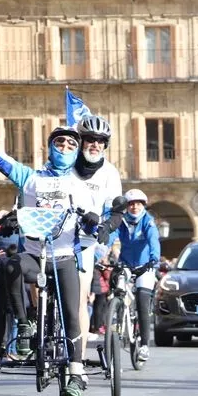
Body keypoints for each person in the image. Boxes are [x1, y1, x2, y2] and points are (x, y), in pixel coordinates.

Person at [0, 121, 105, 396]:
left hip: (64, 258)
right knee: (10, 265)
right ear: (50, 147)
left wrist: (92, 221)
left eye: (71, 144)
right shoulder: (30, 177)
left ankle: (75, 373)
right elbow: (0, 160)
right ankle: (25, 326)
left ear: (77, 151)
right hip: (35, 255)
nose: (65, 147)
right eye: (59, 142)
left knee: (72, 314)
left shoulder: (80, 184)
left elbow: (90, 221)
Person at [73, 115, 123, 371]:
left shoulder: (110, 172)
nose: (95, 144)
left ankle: (78, 360)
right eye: (90, 139)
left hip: (85, 239)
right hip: (55, 236)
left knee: (80, 299)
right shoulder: (65, 162)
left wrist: (107, 227)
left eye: (100, 140)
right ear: (81, 140)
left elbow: (116, 210)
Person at [113, 189, 160, 362]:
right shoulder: (121, 220)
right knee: (117, 285)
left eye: (138, 204)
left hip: (145, 265)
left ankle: (145, 345)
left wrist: (154, 258)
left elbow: (153, 240)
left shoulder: (148, 221)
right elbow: (111, 237)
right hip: (125, 263)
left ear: (143, 205)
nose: (134, 207)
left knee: (142, 299)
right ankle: (117, 314)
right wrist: (98, 253)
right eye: (131, 204)